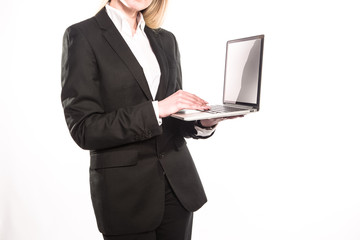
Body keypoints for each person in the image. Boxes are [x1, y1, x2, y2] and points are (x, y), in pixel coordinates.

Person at [61, 0, 238, 239]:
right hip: (126, 196)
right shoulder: (82, 35)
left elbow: (172, 119)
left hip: (178, 189)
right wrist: (156, 109)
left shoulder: (166, 40)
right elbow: (85, 128)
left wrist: (202, 122)